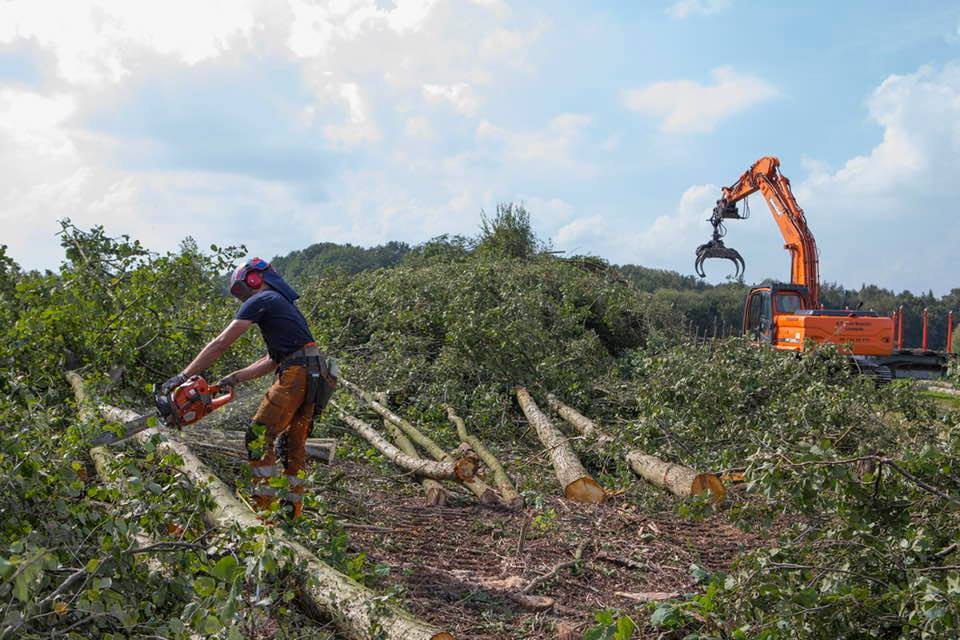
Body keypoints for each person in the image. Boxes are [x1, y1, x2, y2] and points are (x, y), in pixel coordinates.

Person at [161, 257, 337, 520]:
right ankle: (291, 514)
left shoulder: (263, 298)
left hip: (298, 373)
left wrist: (184, 375)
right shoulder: (283, 306)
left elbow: (221, 342)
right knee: (292, 445)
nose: (244, 298)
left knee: (257, 437)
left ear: (254, 278)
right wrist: (234, 377)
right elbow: (272, 360)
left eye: (244, 290)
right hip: (316, 374)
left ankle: (265, 515)